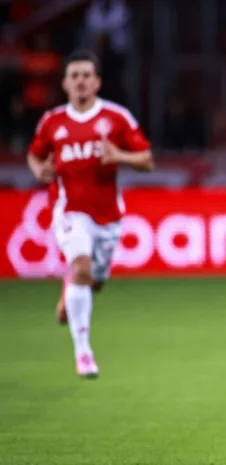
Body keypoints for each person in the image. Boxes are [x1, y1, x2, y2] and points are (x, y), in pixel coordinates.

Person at [26, 49, 153, 378]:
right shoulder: (52, 122)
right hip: (68, 209)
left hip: (108, 214)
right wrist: (40, 169)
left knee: (92, 282)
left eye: (86, 75)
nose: (80, 81)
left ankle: (71, 286)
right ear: (65, 84)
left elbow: (147, 160)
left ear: (97, 82)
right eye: (74, 76)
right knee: (82, 267)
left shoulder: (116, 118)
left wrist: (119, 157)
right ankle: (83, 354)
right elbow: (34, 154)